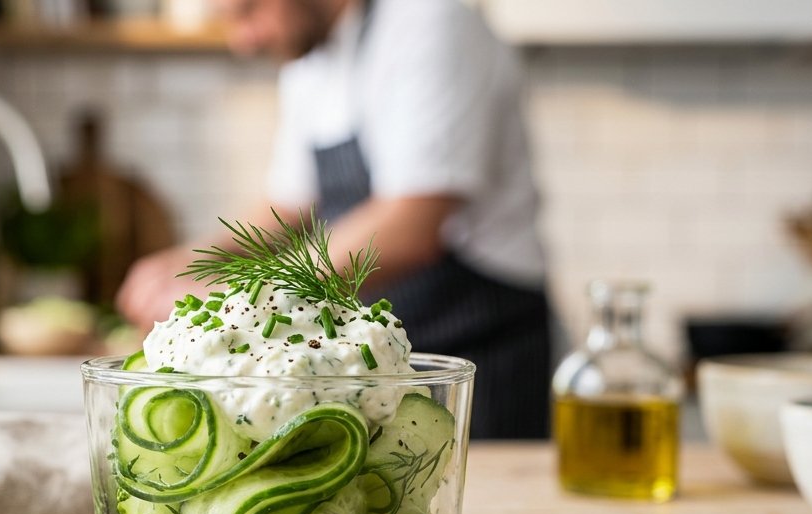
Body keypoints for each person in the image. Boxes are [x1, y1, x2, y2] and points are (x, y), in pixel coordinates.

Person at [116, 0, 556, 440]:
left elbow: (412, 222)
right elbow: (290, 206)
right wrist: (194, 263)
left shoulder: (431, 21)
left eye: (248, 11)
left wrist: (241, 302)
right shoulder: (311, 55)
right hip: (382, 357)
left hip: (479, 345)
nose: (242, 41)